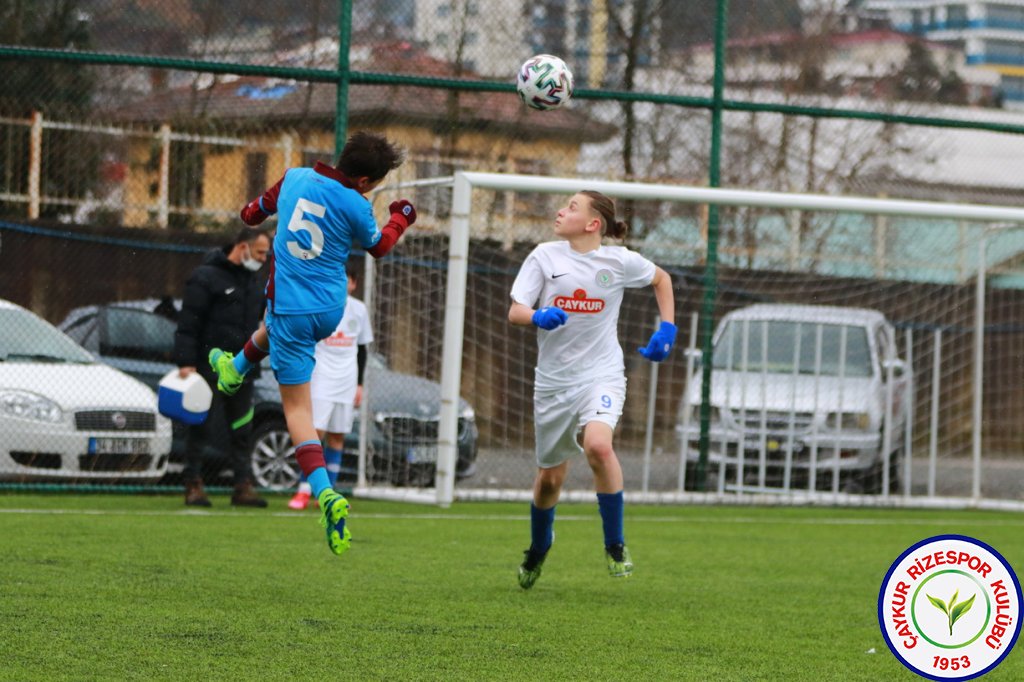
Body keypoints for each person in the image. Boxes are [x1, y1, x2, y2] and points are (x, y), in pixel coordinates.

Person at [209, 131, 416, 557]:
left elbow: (251, 215)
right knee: (272, 326)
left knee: (298, 411)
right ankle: (234, 370)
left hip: (292, 308)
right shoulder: (357, 204)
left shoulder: (293, 178)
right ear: (365, 181)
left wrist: (257, 209)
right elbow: (380, 246)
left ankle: (324, 495)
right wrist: (403, 215)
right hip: (328, 309)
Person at [509, 190, 676, 589]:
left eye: (571, 207)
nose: (560, 210)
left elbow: (661, 279)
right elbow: (515, 311)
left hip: (601, 373)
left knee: (600, 446)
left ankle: (615, 544)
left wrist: (667, 328)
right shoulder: (544, 256)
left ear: (592, 224)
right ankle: (538, 546)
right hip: (553, 383)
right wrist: (537, 315)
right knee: (550, 479)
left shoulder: (617, 261)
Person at [173, 226, 271, 508]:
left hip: (242, 368)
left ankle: (242, 486)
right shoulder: (205, 277)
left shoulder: (254, 281)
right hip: (208, 367)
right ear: (243, 247)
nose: (264, 259)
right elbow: (189, 322)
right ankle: (193, 483)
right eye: (260, 252)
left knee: (242, 428)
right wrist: (186, 361)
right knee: (199, 426)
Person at [288, 270, 373, 510]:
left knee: (338, 436)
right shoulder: (319, 306)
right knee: (315, 433)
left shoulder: (359, 310)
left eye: (348, 279)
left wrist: (359, 385)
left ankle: (328, 494)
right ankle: (304, 490)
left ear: (353, 284)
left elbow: (363, 349)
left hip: (347, 380)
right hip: (322, 377)